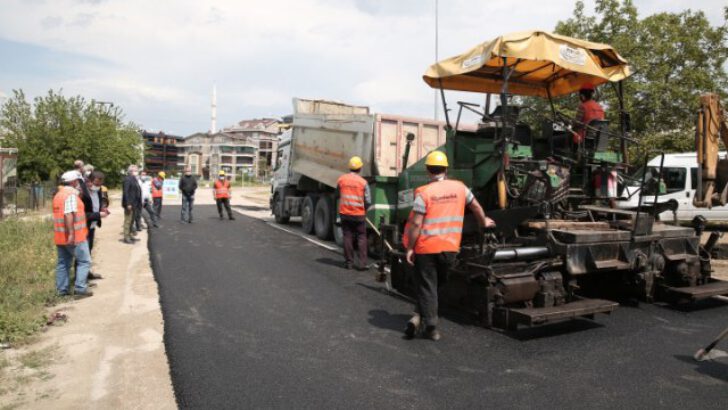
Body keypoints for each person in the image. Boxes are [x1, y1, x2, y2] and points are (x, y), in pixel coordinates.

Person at [403, 151, 494, 341]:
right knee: (436, 285)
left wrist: (410, 247)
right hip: (450, 248)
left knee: (428, 286)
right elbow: (476, 206)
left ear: (428, 171)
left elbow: (416, 224)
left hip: (426, 248)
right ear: (446, 169)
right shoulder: (460, 188)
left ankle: (430, 327)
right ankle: (418, 316)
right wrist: (483, 221)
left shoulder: (424, 193)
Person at [53, 170, 93, 297]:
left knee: (63, 263)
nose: (79, 184)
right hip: (75, 236)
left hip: (60, 237)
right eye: (78, 181)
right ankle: (80, 289)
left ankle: (61, 290)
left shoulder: (59, 195)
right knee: (84, 261)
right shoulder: (70, 195)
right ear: (74, 181)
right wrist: (71, 234)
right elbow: (68, 214)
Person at [336, 156, 370, 270]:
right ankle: (362, 264)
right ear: (360, 168)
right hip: (359, 214)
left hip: (345, 213)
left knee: (347, 236)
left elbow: (337, 195)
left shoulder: (341, 179)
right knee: (361, 237)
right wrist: (365, 210)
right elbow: (368, 200)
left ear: (349, 167)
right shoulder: (363, 182)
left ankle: (349, 263)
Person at [80, 170, 109, 280]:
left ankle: (87, 274)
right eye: (96, 184)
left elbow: (98, 203)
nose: (98, 186)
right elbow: (82, 215)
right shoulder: (83, 194)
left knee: (89, 250)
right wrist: (98, 215)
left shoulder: (98, 190)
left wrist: (103, 208)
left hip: (92, 227)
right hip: (83, 227)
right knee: (82, 255)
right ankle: (81, 280)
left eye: (100, 184)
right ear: (89, 181)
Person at [122, 165, 142, 244]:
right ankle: (126, 237)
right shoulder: (127, 179)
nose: (137, 171)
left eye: (137, 170)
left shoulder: (134, 179)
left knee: (132, 220)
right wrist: (128, 203)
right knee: (128, 220)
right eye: (136, 170)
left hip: (135, 204)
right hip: (130, 204)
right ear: (131, 171)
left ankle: (130, 235)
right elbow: (126, 193)